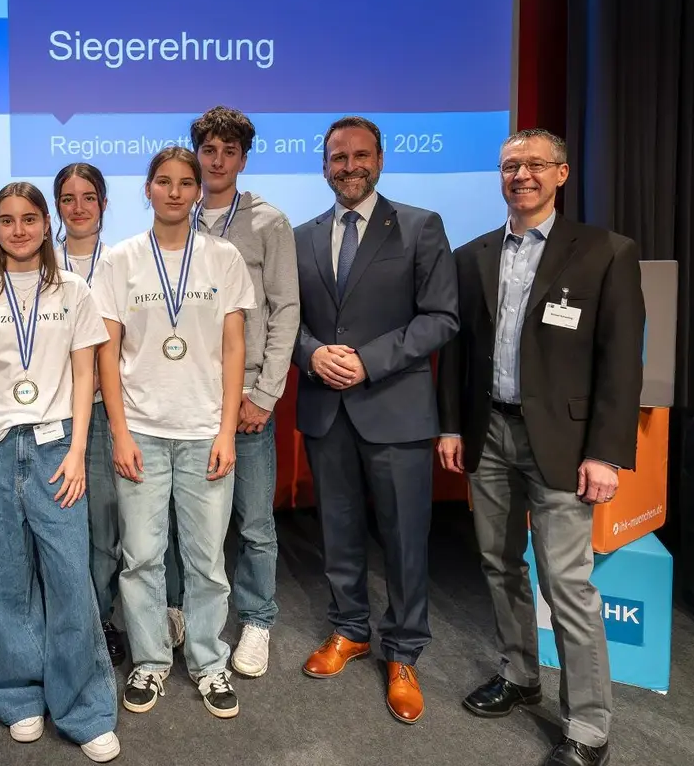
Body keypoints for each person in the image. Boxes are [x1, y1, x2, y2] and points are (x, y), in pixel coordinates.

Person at [436, 128, 644, 766]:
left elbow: (619, 362)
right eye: (508, 166)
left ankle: (588, 727)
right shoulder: (473, 255)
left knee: (568, 584)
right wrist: (450, 426)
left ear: (561, 174)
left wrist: (607, 453)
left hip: (565, 442)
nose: (519, 175)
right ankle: (521, 676)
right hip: (487, 433)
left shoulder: (605, 253)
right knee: (498, 567)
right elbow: (458, 355)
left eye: (532, 165)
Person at [292, 115, 457, 725]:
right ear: (325, 165)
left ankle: (404, 650)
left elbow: (440, 317)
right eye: (338, 157)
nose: (349, 166)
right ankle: (349, 629)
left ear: (380, 161)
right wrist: (311, 353)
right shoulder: (302, 236)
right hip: (325, 408)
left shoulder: (419, 226)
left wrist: (367, 360)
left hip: (395, 407)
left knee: (406, 540)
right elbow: (290, 321)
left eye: (361, 155)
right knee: (337, 531)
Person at [0, 182, 121, 762]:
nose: (18, 230)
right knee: (1, 579)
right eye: (6, 220)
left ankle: (84, 707)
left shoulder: (74, 291)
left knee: (70, 578)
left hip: (54, 449)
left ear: (46, 224)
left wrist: (76, 451)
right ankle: (16, 694)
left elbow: (84, 376)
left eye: (29, 219)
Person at [93, 146, 254, 719]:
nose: (176, 192)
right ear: (147, 189)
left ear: (197, 190)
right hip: (140, 427)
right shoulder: (120, 260)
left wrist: (228, 431)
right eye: (164, 182)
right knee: (140, 557)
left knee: (208, 559)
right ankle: (151, 661)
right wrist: (119, 431)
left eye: (186, 182)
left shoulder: (224, 257)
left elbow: (233, 348)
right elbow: (107, 353)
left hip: (204, 429)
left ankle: (210, 663)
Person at [189, 106, 299, 677]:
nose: (218, 160)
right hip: (187, 397)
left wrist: (266, 393)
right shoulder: (175, 214)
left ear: (244, 158)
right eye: (209, 150)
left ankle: (257, 619)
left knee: (254, 521)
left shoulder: (267, 222)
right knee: (185, 519)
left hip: (248, 394)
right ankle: (182, 611)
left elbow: (285, 309)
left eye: (229, 151)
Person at [52, 162, 130, 667]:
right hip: (51, 413)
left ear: (104, 203)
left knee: (104, 525)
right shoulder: (36, 261)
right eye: (67, 198)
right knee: (57, 524)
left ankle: (100, 617)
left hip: (106, 412)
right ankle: (60, 618)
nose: (78, 208)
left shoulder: (124, 262)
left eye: (88, 197)